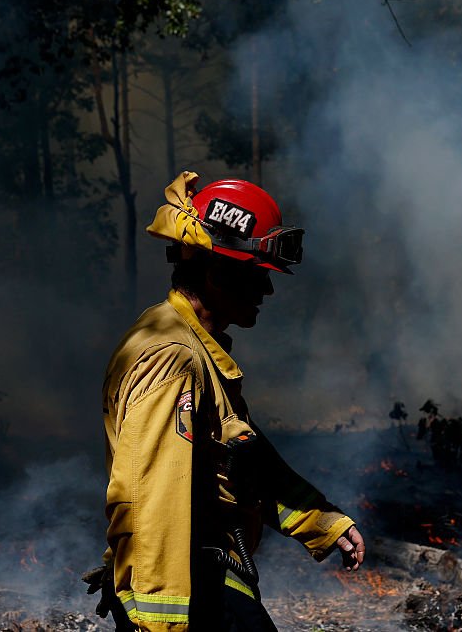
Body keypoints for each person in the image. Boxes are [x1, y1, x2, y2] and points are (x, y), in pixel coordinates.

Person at [97, 171, 365, 631]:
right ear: (218, 271)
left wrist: (320, 520)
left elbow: (240, 457)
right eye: (257, 275)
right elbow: (153, 497)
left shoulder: (196, 349)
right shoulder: (174, 357)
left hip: (208, 576)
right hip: (188, 590)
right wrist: (161, 622)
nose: (267, 290)